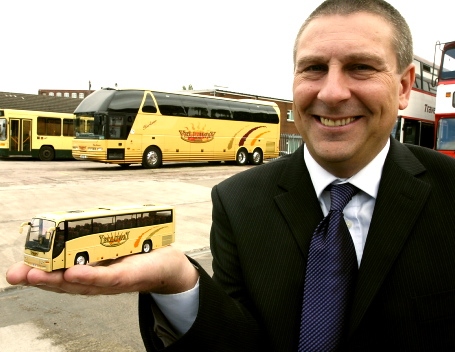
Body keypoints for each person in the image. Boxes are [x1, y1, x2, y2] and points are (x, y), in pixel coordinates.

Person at [7, 0, 455, 350]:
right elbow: (239, 344)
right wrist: (179, 284)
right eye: (313, 68)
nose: (332, 92)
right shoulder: (239, 203)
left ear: (402, 86)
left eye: (361, 66)